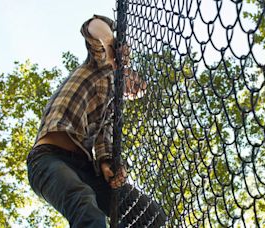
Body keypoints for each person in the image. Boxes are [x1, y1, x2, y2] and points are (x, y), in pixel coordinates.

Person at [26, 15, 166, 227]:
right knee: (84, 205)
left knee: (152, 214)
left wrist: (109, 165)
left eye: (138, 93)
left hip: (85, 167)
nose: (135, 91)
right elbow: (93, 27)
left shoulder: (112, 110)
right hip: (49, 159)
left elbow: (104, 143)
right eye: (136, 83)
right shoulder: (101, 65)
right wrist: (112, 47)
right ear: (126, 72)